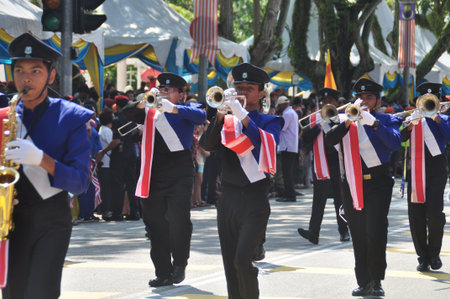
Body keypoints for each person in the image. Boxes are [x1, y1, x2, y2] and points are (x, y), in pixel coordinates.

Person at [1, 33, 93, 299]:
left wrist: (41, 159)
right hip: (9, 220)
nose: (26, 79)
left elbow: (79, 182)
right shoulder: (4, 116)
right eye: (19, 70)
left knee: (41, 292)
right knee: (13, 293)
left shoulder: (72, 117)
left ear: (51, 76)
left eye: (35, 71)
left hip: (50, 218)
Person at [200, 63, 284, 299]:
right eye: (238, 86)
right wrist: (219, 114)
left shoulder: (270, 121)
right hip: (227, 199)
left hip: (255, 200)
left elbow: (264, 144)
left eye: (249, 87)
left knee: (242, 260)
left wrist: (241, 114)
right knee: (230, 264)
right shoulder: (227, 120)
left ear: (260, 93)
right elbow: (206, 145)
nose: (243, 91)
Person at [121, 73, 206, 287]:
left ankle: (180, 263)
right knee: (155, 224)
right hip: (153, 170)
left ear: (181, 93)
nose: (164, 93)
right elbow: (126, 113)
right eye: (162, 90)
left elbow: (200, 115)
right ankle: (163, 271)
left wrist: (172, 108)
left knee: (178, 219)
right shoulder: (150, 111)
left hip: (179, 170)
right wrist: (144, 101)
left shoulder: (187, 109)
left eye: (169, 91)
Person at [325, 78, 402, 297]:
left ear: (378, 101)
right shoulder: (345, 119)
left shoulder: (387, 119)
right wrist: (348, 122)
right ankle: (363, 281)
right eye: (361, 98)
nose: (365, 102)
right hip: (351, 182)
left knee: (375, 232)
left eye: (369, 97)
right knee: (358, 233)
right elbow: (330, 141)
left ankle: (376, 280)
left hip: (378, 182)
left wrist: (373, 123)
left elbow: (395, 143)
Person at [401, 82, 450, 272]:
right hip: (415, 168)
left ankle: (434, 254)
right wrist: (410, 125)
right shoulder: (412, 118)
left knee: (435, 213)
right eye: (426, 101)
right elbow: (400, 138)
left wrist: (437, 118)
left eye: (433, 100)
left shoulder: (444, 118)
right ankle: (422, 256)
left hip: (437, 169)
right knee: (416, 214)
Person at [297, 88, 349, 244]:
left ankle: (344, 231)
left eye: (330, 101)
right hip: (321, 162)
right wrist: (318, 126)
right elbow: (305, 139)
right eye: (324, 101)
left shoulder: (341, 117)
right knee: (318, 199)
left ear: (336, 102)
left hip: (337, 161)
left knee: (340, 199)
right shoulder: (315, 117)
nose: (327, 104)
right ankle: (314, 232)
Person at [275, 95, 300, 202]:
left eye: (279, 106)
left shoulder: (287, 114)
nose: (279, 108)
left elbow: (282, 128)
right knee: (289, 172)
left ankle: (290, 195)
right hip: (291, 146)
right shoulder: (292, 112)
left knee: (287, 173)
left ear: (283, 104)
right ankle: (289, 193)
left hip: (287, 146)